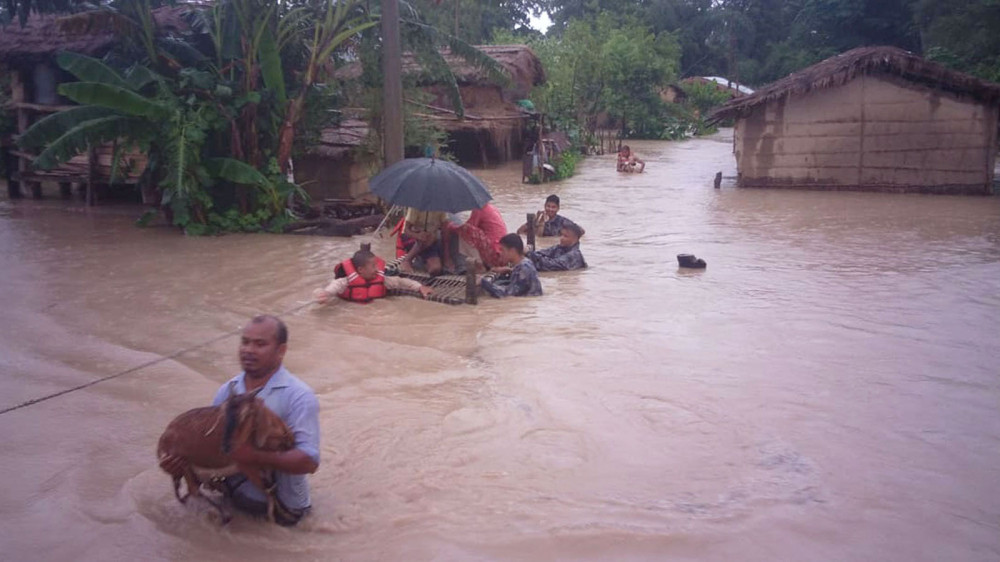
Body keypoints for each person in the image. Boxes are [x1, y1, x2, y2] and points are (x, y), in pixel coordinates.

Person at [159, 315, 320, 526]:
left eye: (260, 344)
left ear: (281, 350)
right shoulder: (227, 391)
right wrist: (179, 467)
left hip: (282, 513)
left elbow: (309, 461)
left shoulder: (299, 396)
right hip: (231, 503)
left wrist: (252, 456)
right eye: (245, 342)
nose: (249, 350)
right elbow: (214, 449)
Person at [313, 249, 433, 304]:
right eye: (373, 266)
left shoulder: (382, 280)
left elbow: (401, 282)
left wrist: (419, 287)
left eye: (376, 265)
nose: (377, 270)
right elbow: (332, 288)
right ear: (360, 270)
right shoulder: (345, 282)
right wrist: (324, 294)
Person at [442, 202, 508, 271]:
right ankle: (480, 263)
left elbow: (469, 227)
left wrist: (451, 227)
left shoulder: (479, 209)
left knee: (464, 230)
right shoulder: (492, 208)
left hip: (493, 254)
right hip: (501, 254)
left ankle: (477, 264)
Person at [480, 233, 543, 298]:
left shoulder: (523, 268)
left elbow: (507, 295)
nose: (500, 253)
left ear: (512, 251)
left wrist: (483, 282)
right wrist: (510, 271)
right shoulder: (525, 263)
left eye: (502, 250)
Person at [398, 209, 447, 276]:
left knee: (435, 269)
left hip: (429, 242)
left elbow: (445, 231)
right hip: (412, 238)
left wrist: (447, 257)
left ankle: (420, 260)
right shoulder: (415, 207)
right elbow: (406, 230)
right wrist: (417, 236)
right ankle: (407, 260)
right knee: (429, 237)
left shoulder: (441, 208)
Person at [516, 194, 585, 238]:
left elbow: (581, 231)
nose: (550, 209)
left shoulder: (562, 221)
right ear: (544, 206)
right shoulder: (538, 218)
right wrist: (535, 220)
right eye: (548, 206)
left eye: (553, 207)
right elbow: (519, 232)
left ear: (558, 208)